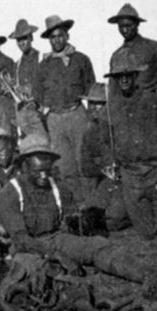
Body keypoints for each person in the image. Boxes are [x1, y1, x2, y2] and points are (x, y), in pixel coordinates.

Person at [0, 134, 157, 283]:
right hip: (29, 249)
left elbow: (72, 214)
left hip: (57, 238)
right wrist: (56, 255)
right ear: (24, 166)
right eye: (37, 171)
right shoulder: (10, 193)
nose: (43, 176)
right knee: (36, 273)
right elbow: (21, 240)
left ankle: (154, 273)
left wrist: (80, 221)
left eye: (47, 170)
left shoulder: (56, 186)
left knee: (98, 245)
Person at [95, 49, 157, 239]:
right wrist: (110, 163)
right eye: (120, 76)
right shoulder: (110, 110)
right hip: (130, 180)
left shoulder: (155, 102)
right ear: (115, 79)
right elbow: (104, 142)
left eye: (129, 75)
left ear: (136, 76)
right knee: (146, 234)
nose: (125, 80)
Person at [33, 15, 95, 202]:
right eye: (53, 37)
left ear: (67, 36)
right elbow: (37, 95)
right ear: (49, 40)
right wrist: (46, 114)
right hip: (55, 120)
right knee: (65, 166)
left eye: (61, 36)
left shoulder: (81, 59)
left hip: (77, 115)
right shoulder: (43, 65)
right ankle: (77, 206)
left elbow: (91, 88)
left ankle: (93, 205)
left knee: (85, 162)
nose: (57, 40)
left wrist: (91, 117)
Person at [79, 83, 129, 232]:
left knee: (114, 217)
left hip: (129, 182)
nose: (93, 108)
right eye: (90, 103)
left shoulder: (124, 127)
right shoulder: (90, 132)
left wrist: (122, 170)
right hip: (108, 181)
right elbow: (85, 168)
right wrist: (104, 170)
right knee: (90, 213)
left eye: (99, 104)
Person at [9, 19, 40, 96]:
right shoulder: (17, 65)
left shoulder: (41, 59)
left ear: (31, 38)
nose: (22, 43)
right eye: (19, 40)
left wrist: (25, 88)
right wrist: (11, 86)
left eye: (24, 38)